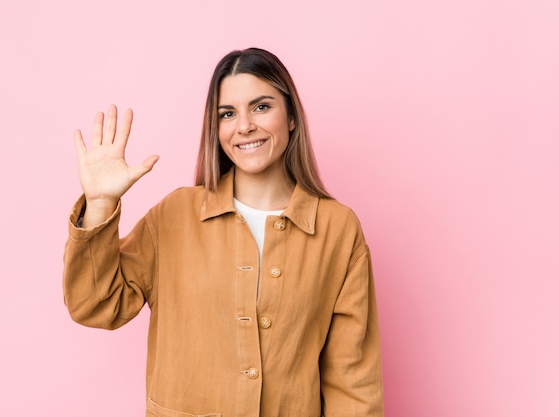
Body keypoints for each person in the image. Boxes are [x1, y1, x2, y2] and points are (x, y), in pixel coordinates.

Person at [63, 47, 383, 417]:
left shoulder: (338, 230)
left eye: (261, 107)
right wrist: (100, 203)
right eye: (227, 114)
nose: (244, 125)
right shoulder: (176, 215)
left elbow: (353, 382)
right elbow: (95, 306)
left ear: (291, 117)